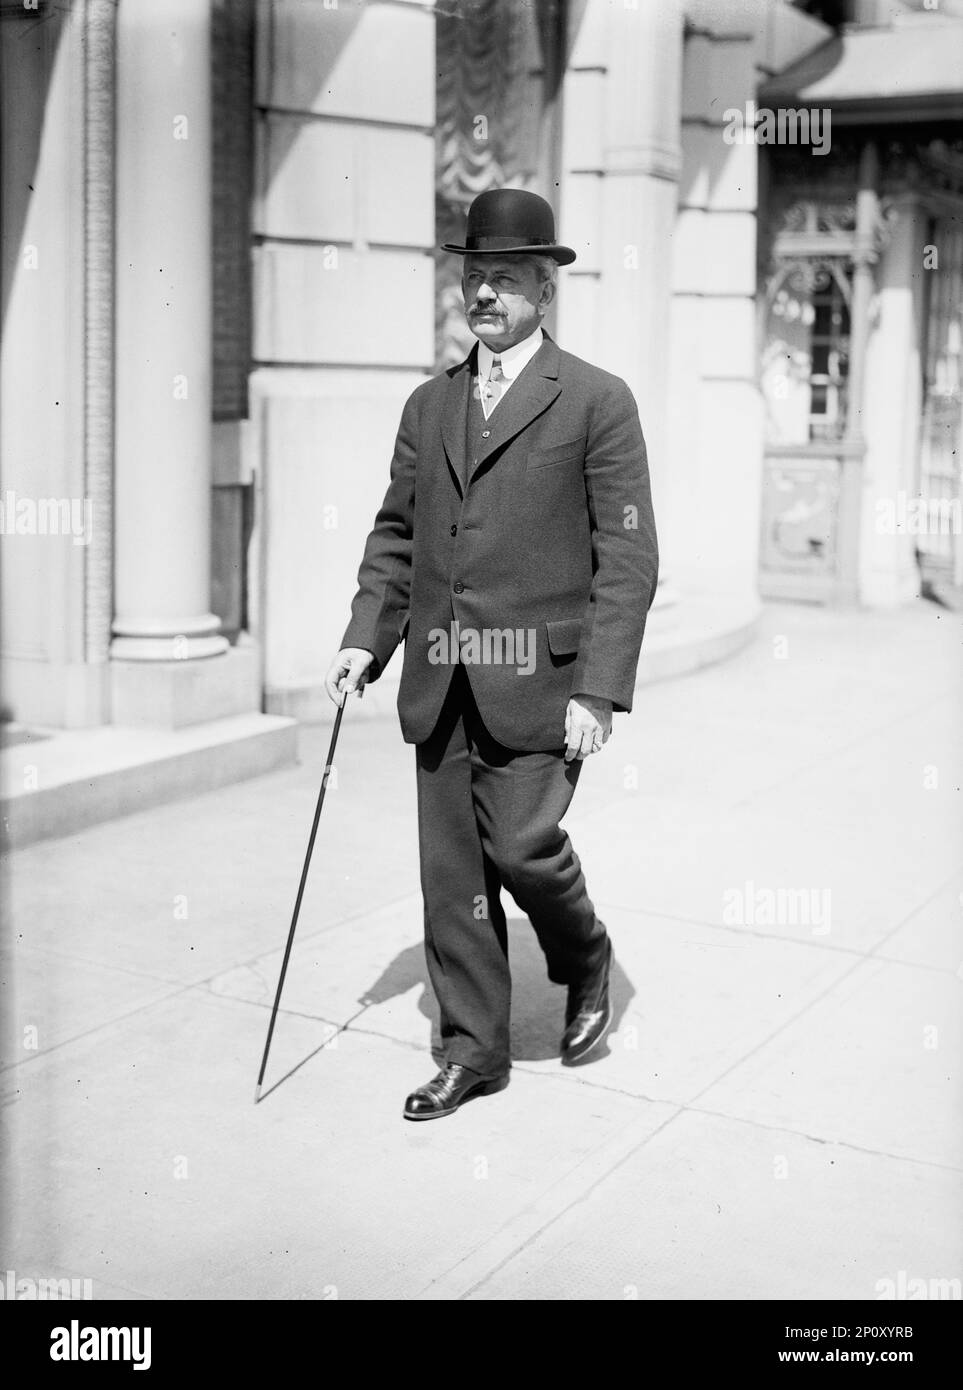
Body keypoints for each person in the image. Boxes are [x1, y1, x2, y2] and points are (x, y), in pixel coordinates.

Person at [325, 188, 658, 1120]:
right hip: (439, 675)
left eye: (506, 278)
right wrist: (365, 638)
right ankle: (473, 1051)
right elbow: (398, 535)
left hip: (542, 680)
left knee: (520, 845)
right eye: (474, 277)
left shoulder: (595, 400)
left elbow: (629, 557)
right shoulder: (428, 404)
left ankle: (582, 950)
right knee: (452, 877)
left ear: (545, 292)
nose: (485, 294)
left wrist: (599, 690)